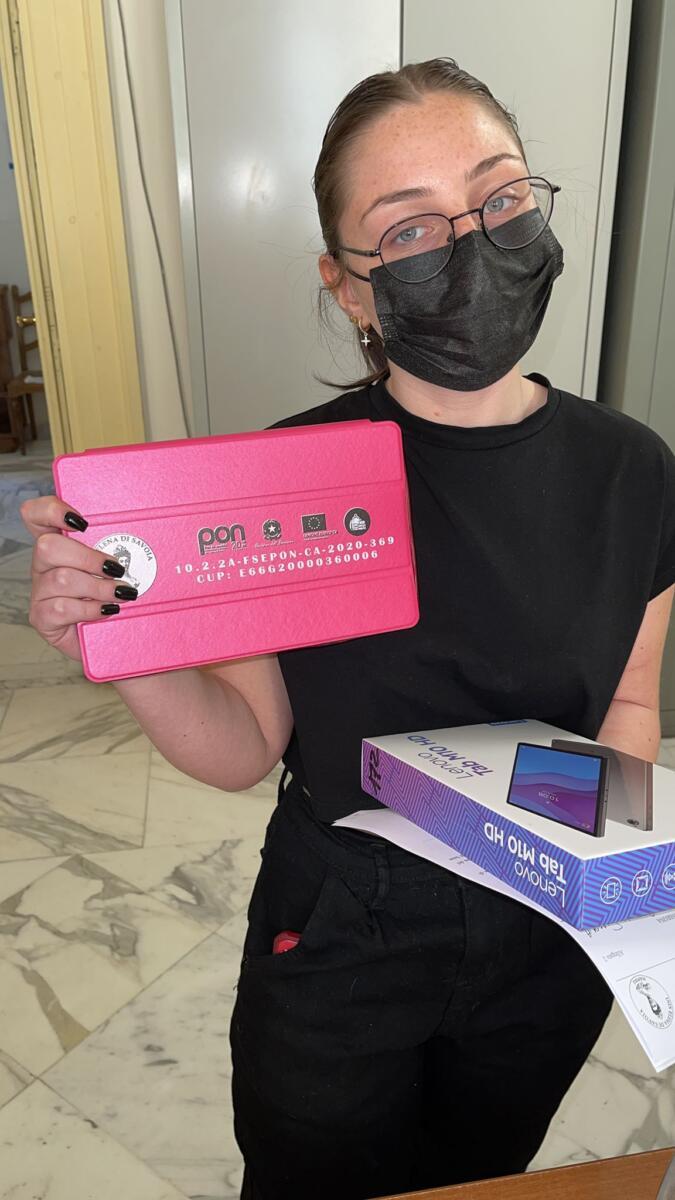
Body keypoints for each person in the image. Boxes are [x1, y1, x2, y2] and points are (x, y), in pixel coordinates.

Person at [22, 57, 675, 1200]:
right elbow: (245, 742)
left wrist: (605, 870)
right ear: (352, 288)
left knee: (478, 1178)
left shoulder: (636, 473)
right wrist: (124, 648)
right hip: (342, 932)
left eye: (500, 197)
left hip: (542, 933)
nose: (472, 243)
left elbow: (628, 703)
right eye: (409, 230)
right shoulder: (288, 480)